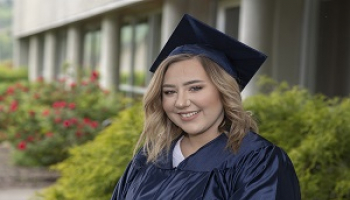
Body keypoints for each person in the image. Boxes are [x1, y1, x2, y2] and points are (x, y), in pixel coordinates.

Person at [111, 14, 301, 200]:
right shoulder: (148, 158)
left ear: (223, 91)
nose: (181, 102)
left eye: (195, 88)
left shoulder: (257, 162)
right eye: (169, 92)